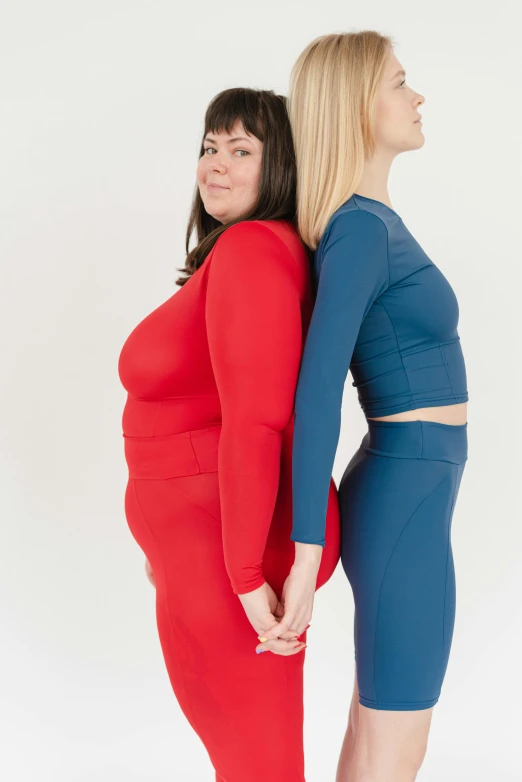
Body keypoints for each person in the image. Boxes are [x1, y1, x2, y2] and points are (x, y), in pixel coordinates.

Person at [259, 32, 469, 782]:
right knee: (396, 738)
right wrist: (305, 551)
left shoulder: (373, 222)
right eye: (400, 82)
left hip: (418, 489)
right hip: (403, 492)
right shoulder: (356, 229)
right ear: (355, 106)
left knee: (378, 727)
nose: (417, 98)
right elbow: (316, 389)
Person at [117, 87, 340, 782]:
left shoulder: (251, 248)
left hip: (227, 556)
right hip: (198, 549)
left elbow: (256, 419)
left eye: (242, 150)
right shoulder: (238, 256)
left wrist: (245, 578)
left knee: (258, 764)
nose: (216, 165)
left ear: (282, 169)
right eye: (210, 148)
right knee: (240, 757)